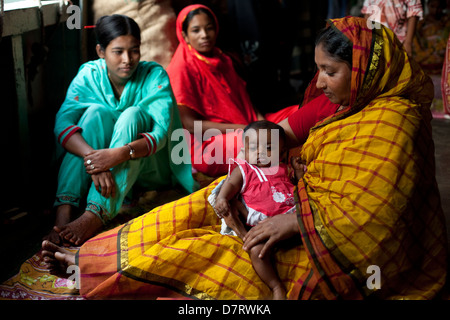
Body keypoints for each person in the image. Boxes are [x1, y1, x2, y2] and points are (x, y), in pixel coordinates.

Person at [42, 16, 447, 300]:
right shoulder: (332, 103)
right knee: (193, 208)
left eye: (330, 71)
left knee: (207, 255)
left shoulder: (396, 123)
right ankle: (88, 258)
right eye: (317, 69)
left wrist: (296, 218)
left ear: (362, 71)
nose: (318, 82)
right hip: (280, 194)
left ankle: (103, 273)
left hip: (327, 240)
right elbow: (276, 136)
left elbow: (376, 212)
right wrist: (241, 175)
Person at [45, 14, 197, 246]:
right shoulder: (89, 75)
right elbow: (62, 124)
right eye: (118, 51)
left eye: (134, 50)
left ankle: (94, 215)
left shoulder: (153, 75)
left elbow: (161, 135)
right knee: (95, 114)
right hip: (105, 166)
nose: (128, 59)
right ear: (100, 51)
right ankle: (62, 215)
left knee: (132, 115)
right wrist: (94, 160)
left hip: (151, 167)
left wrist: (117, 155)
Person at [166, 4, 298, 177]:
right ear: (184, 35)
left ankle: (283, 155)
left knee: (298, 113)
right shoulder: (181, 67)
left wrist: (260, 122)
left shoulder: (224, 59)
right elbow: (191, 126)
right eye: (196, 30)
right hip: (209, 142)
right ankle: (285, 165)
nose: (204, 35)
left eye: (209, 28)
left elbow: (246, 102)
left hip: (246, 125)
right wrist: (245, 129)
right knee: (256, 141)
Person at [210, 120, 305, 300]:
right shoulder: (245, 169)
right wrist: (222, 198)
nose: (260, 153)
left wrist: (299, 174)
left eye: (268, 148)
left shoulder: (284, 168)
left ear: (282, 152)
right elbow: (230, 183)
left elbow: (297, 187)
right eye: (254, 148)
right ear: (245, 152)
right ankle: (276, 286)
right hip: (261, 226)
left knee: (310, 232)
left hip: (290, 217)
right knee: (256, 250)